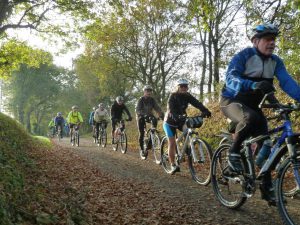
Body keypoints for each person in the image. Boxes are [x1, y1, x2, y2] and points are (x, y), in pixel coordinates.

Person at [220, 23, 300, 205]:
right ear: (255, 41)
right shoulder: (244, 56)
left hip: (254, 106)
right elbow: (230, 78)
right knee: (251, 118)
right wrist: (252, 85)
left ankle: (265, 183)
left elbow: (287, 82)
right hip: (231, 102)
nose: (272, 43)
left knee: (268, 143)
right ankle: (233, 152)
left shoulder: (276, 62)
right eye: (267, 39)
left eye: (274, 39)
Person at [163, 79, 211, 175]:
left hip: (181, 120)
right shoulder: (173, 96)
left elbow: (197, 103)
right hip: (170, 122)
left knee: (188, 131)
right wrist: (177, 116)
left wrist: (205, 110)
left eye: (186, 86)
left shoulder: (187, 96)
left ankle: (185, 150)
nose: (184, 88)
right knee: (172, 142)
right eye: (182, 86)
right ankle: (173, 164)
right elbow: (170, 109)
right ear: (178, 87)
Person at [135, 85, 164, 157]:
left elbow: (157, 108)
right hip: (140, 117)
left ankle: (151, 140)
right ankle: (142, 149)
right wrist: (142, 114)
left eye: (150, 91)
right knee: (141, 133)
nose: (149, 92)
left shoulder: (152, 100)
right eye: (147, 91)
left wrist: (162, 115)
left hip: (149, 115)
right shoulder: (141, 100)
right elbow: (137, 110)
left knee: (154, 121)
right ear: (144, 92)